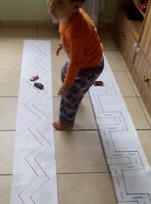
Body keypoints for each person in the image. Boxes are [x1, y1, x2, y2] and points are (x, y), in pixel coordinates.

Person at [48, 0, 104, 130]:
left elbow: (76, 62)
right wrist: (63, 44)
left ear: (76, 7)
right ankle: (77, 95)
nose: (52, 5)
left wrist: (67, 84)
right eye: (51, 0)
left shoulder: (77, 30)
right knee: (65, 73)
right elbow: (64, 32)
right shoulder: (65, 15)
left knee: (69, 93)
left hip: (90, 66)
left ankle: (66, 123)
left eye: (59, 2)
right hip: (84, 60)